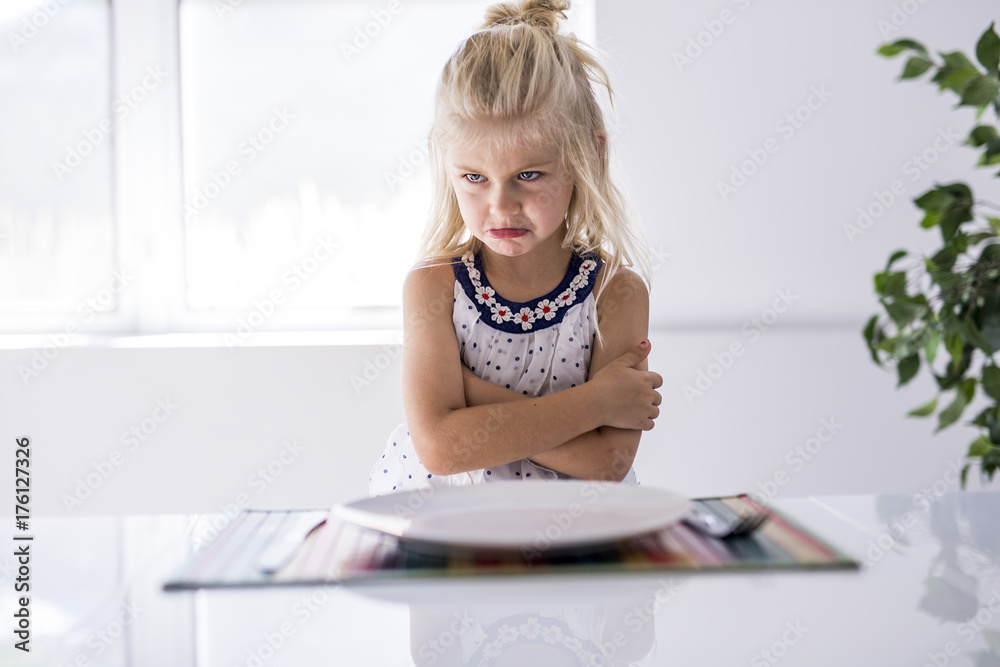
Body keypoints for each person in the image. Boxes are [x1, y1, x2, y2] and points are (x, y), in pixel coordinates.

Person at [369, 0, 662, 497]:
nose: (501, 206)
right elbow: (440, 449)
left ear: (589, 155)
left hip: (572, 528)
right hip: (452, 524)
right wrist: (596, 403)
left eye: (529, 175)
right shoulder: (432, 288)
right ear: (449, 167)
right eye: (474, 178)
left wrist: (469, 398)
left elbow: (607, 463)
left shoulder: (616, 294)